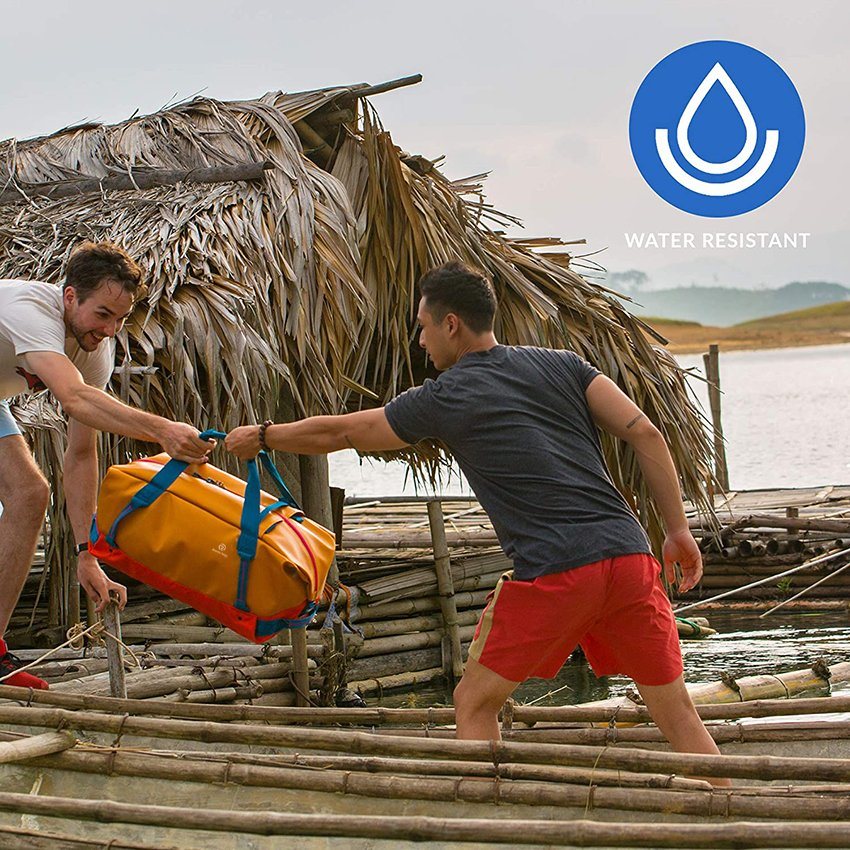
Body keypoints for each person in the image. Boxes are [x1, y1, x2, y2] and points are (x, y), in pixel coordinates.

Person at [225, 259, 729, 785]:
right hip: (630, 559)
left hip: (557, 572)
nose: (420, 341)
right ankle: (733, 819)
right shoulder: (566, 365)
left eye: (422, 326)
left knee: (473, 702)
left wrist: (263, 435)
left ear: (450, 325)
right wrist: (676, 531)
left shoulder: (446, 397)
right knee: (678, 716)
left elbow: (343, 434)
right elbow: (646, 433)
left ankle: (491, 822)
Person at [0, 241, 213, 689]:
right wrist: (163, 431)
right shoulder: (30, 310)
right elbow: (73, 398)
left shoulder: (95, 350)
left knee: (31, 493)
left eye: (121, 318)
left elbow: (81, 454)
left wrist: (86, 554)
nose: (111, 329)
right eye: (102, 315)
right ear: (70, 296)